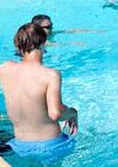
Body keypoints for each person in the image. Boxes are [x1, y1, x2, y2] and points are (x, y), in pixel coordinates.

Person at [0, 23, 78, 164]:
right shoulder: (50, 75)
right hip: (52, 146)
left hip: (19, 146)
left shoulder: (5, 69)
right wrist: (73, 113)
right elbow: (55, 114)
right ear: (43, 43)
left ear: (18, 46)